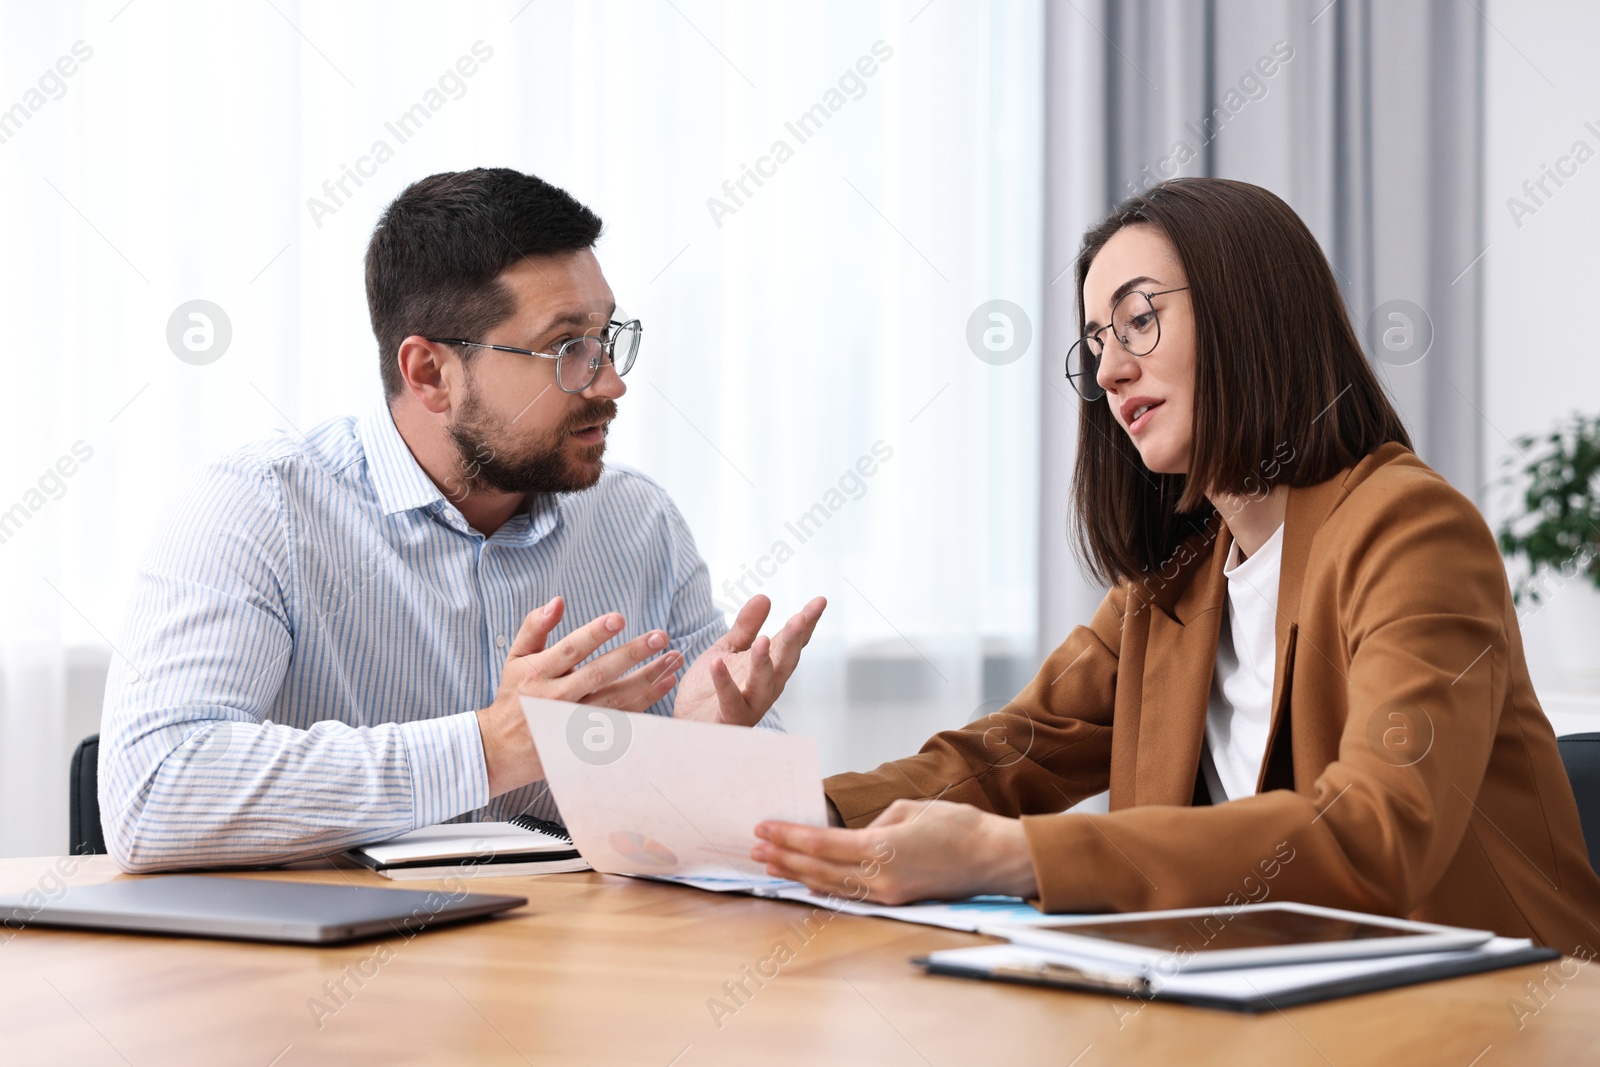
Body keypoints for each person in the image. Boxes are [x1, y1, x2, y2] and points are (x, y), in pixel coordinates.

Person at [751, 177, 1600, 956]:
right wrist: (811, 821)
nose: (1111, 368)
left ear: (1249, 313)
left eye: (1140, 320)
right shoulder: (1174, 580)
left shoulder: (1412, 530)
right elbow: (1010, 753)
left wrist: (1011, 854)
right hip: (1280, 1007)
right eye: (1094, 342)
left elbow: (1378, 834)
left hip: (1500, 1013)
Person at [100, 168, 824, 873]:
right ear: (430, 374)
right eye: (567, 347)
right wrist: (491, 747)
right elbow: (154, 793)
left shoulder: (638, 522)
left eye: (607, 338)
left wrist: (710, 756)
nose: (610, 381)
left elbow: (754, 844)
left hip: (577, 969)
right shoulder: (258, 509)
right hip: (322, 979)